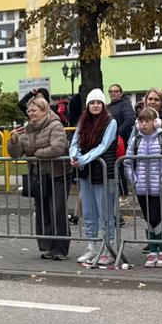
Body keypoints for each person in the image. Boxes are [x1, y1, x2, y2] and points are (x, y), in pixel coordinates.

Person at [8, 96, 69, 260]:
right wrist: (13, 141)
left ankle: (60, 249)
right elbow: (16, 154)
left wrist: (36, 154)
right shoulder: (27, 129)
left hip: (57, 174)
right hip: (38, 176)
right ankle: (47, 246)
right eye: (29, 111)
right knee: (43, 212)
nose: (30, 113)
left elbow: (57, 148)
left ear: (44, 110)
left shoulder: (55, 125)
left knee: (57, 211)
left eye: (34, 110)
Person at [68, 89, 119, 267]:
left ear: (103, 105)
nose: (95, 105)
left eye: (98, 102)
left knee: (105, 213)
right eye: (92, 103)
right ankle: (92, 246)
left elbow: (104, 146)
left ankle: (108, 247)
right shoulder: (82, 122)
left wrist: (83, 159)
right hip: (86, 173)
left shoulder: (110, 122)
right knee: (89, 212)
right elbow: (74, 142)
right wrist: (74, 156)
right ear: (87, 105)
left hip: (104, 172)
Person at [123, 106, 162, 267]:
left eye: (147, 121)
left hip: (158, 189)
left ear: (156, 122)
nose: (144, 124)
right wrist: (134, 181)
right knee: (148, 219)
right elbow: (128, 163)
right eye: (141, 121)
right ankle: (153, 251)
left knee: (156, 219)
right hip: (141, 188)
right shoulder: (135, 141)